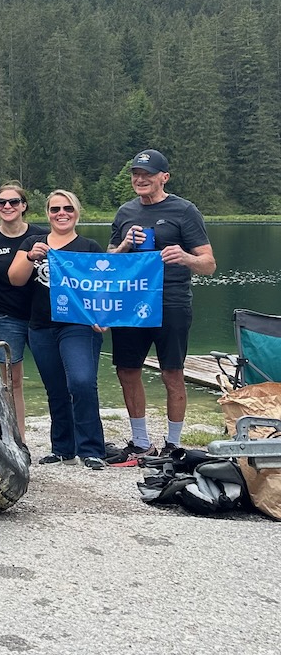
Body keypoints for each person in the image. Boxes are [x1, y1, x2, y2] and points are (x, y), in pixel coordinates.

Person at [107, 149, 216, 461]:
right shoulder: (125, 212)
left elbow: (209, 264)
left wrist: (185, 257)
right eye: (136, 174)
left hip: (171, 301)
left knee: (172, 373)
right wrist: (126, 245)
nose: (140, 179)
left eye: (148, 174)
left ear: (163, 177)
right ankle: (141, 443)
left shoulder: (185, 210)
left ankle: (173, 445)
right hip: (131, 301)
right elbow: (108, 262)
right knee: (127, 370)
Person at [8, 190, 108, 469]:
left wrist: (104, 317)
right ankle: (63, 448)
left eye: (67, 208)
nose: (61, 213)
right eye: (55, 209)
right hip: (40, 326)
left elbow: (104, 289)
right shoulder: (33, 242)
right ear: (48, 213)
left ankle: (91, 449)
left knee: (82, 381)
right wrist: (29, 257)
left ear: (77, 212)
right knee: (56, 388)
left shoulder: (89, 247)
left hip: (79, 325)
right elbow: (15, 279)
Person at [0, 182, 46, 440]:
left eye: (14, 202)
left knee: (57, 376)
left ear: (24, 206)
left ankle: (67, 439)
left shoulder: (42, 236)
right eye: (1, 202)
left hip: (43, 317)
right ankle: (17, 438)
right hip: (4, 316)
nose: (7, 206)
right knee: (11, 381)